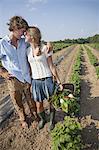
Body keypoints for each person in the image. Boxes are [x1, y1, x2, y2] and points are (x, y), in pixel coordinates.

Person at [0, 16, 52, 128]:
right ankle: (23, 119)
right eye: (22, 30)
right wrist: (2, 73)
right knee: (17, 101)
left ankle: (36, 116)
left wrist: (47, 44)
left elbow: (36, 42)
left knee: (31, 99)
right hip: (13, 78)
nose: (24, 33)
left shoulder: (24, 42)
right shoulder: (3, 43)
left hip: (27, 77)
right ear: (14, 28)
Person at [25, 26, 63, 130]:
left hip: (47, 79)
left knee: (51, 102)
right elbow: (29, 67)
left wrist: (59, 81)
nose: (24, 35)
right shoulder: (27, 50)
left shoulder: (45, 48)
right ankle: (43, 119)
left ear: (32, 37)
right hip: (36, 81)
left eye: (26, 34)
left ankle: (51, 120)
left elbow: (51, 66)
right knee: (39, 105)